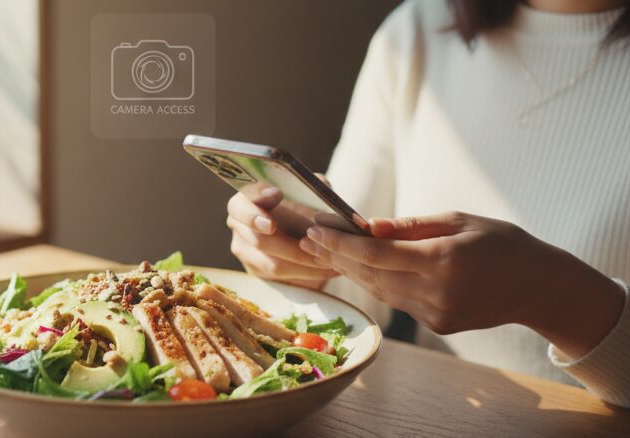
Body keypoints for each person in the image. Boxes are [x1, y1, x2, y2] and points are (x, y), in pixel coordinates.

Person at [227, 0, 630, 406]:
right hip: (432, 415)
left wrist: (555, 297)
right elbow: (352, 304)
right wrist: (301, 262)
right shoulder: (417, 31)